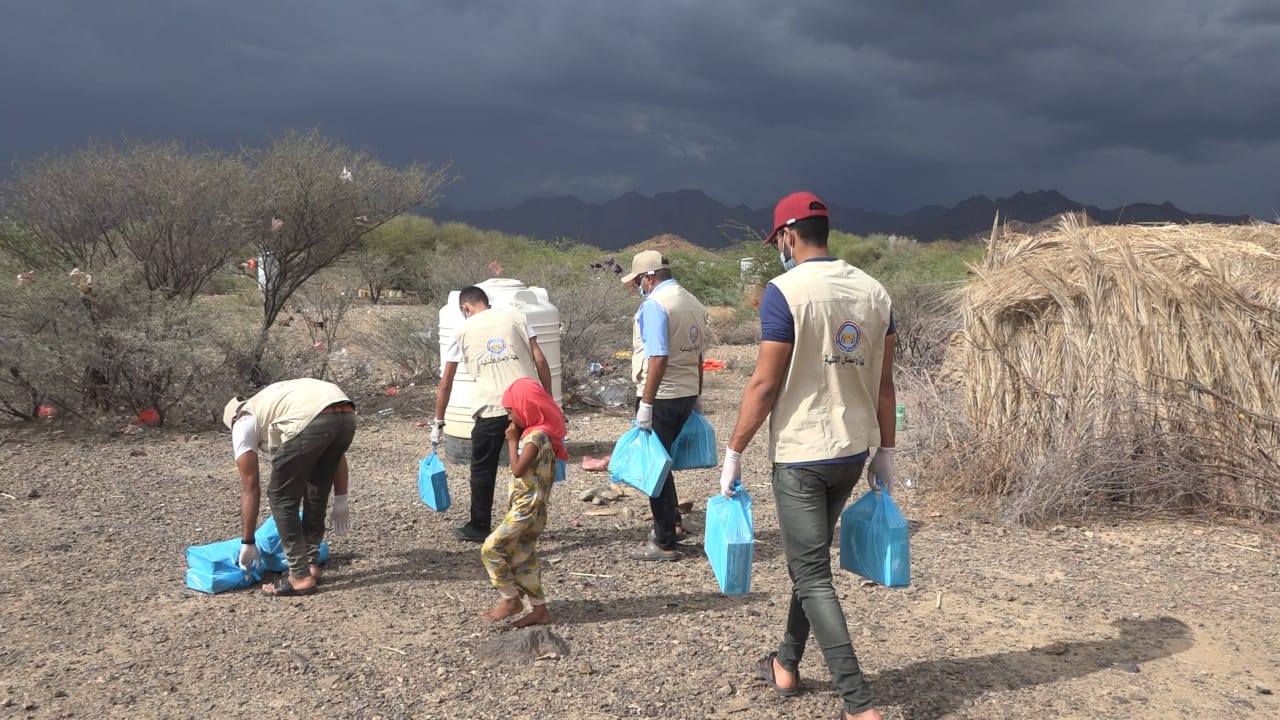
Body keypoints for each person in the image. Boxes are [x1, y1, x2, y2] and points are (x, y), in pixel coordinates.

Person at [719, 192, 895, 719]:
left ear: (788, 237)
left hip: (801, 454)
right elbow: (885, 385)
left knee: (813, 575)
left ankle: (859, 704)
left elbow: (764, 385)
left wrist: (733, 451)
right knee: (808, 562)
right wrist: (887, 450)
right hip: (851, 450)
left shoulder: (784, 291)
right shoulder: (874, 291)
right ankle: (786, 665)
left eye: (778, 241)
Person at [433, 285, 555, 542]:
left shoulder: (461, 332)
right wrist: (548, 402)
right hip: (528, 403)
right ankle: (528, 522)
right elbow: (541, 360)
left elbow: (446, 382)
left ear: (465, 308)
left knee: (482, 469)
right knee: (530, 466)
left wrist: (438, 420)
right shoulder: (518, 318)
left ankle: (479, 525)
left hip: (491, 407)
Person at [224, 378, 357, 597]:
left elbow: (250, 487)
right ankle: (311, 563)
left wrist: (248, 542)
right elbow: (336, 457)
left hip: (312, 420)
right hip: (346, 415)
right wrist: (341, 500)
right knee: (316, 489)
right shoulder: (275, 401)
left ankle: (299, 575)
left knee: (281, 498)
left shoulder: (243, 420)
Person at [619, 250, 708, 561]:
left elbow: (658, 356)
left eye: (637, 282)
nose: (637, 288)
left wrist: (646, 403)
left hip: (661, 394)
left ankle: (664, 541)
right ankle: (674, 525)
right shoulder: (692, 302)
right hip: (685, 393)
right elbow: (699, 357)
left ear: (649, 278)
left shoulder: (655, 305)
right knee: (665, 464)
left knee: (653, 467)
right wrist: (696, 395)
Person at [479, 377, 567, 626]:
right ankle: (539, 609)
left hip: (527, 508)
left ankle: (510, 598)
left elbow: (517, 470)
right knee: (522, 556)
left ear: (525, 408)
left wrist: (511, 440)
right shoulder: (541, 433)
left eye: (510, 411)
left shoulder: (535, 438)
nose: (509, 419)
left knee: (491, 548)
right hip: (531, 508)